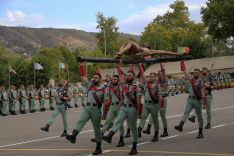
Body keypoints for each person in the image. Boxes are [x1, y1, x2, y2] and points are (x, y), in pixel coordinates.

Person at [66, 63, 106, 155]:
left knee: (97, 129)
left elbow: (106, 102)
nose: (94, 79)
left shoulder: (104, 88)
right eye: (93, 77)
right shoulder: (89, 85)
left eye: (96, 78)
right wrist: (81, 66)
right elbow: (83, 77)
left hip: (96, 109)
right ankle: (73, 136)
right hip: (87, 107)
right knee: (81, 121)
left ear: (100, 79)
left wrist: (105, 113)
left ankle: (98, 147)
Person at [103, 69, 142, 155]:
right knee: (118, 121)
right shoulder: (124, 86)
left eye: (130, 76)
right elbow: (122, 98)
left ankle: (134, 147)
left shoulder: (136, 87)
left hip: (132, 109)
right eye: (127, 75)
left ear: (134, 77)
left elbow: (139, 101)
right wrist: (119, 107)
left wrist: (139, 113)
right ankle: (110, 135)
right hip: (123, 108)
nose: (127, 77)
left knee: (133, 128)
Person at [174, 61, 206, 138]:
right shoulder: (191, 79)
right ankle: (180, 125)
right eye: (194, 72)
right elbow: (185, 71)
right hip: (190, 100)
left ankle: (200, 132)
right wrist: (182, 61)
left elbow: (203, 93)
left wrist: (204, 103)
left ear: (199, 74)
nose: (195, 73)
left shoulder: (201, 82)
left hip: (197, 100)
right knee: (186, 112)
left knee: (199, 117)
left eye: (197, 72)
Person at [137, 63, 163, 142]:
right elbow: (142, 74)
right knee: (143, 118)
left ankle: (156, 135)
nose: (150, 77)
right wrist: (140, 65)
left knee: (155, 121)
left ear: (155, 77)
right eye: (149, 76)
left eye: (152, 76)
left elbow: (160, 97)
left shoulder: (158, 85)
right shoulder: (146, 83)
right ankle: (139, 131)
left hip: (154, 105)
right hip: (146, 104)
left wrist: (161, 106)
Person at [116, 41, 180, 59]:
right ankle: (120, 53)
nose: (145, 44)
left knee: (130, 42)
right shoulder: (142, 48)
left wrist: (176, 54)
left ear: (148, 47)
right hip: (132, 53)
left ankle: (120, 53)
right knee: (126, 43)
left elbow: (165, 52)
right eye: (145, 44)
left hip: (139, 53)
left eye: (147, 44)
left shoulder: (151, 51)